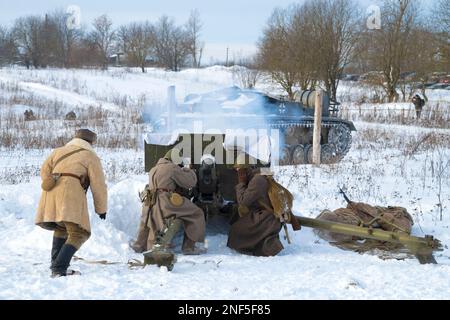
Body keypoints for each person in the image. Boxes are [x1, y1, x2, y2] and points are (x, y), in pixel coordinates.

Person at [35, 129, 108, 278]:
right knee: (79, 233)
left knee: (61, 228)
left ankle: (56, 266)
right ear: (91, 142)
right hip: (70, 194)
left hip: (50, 193)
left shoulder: (58, 151)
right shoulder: (90, 156)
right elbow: (98, 185)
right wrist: (101, 209)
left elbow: (44, 172)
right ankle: (59, 268)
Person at [131, 149, 206, 255]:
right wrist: (188, 169)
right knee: (196, 213)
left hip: (151, 202)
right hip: (165, 201)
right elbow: (190, 182)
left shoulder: (154, 169)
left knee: (149, 223)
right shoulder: (172, 168)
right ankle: (189, 247)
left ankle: (140, 245)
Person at [227, 155, 284, 257]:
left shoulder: (257, 180)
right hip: (265, 215)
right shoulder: (259, 175)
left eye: (239, 169)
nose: (237, 171)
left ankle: (272, 245)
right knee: (237, 224)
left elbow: (243, 201)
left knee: (236, 231)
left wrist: (241, 183)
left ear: (246, 169)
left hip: (267, 217)